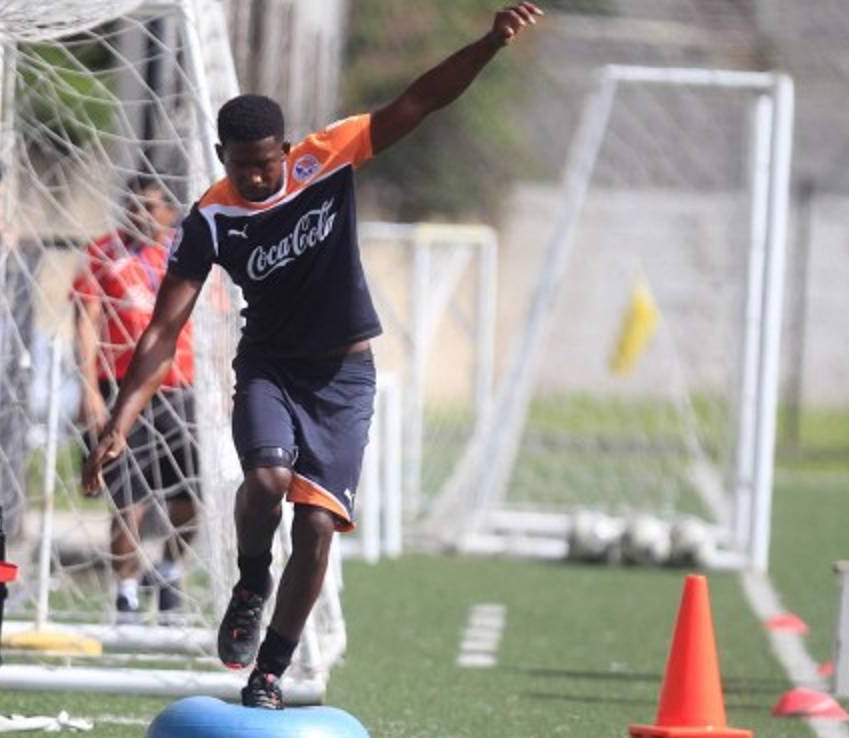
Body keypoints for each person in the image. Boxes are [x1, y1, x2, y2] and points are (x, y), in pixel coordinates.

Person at [84, 3, 544, 708]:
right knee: (266, 480)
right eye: (243, 169)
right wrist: (120, 418)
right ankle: (248, 581)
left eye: (266, 166)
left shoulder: (325, 157)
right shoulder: (210, 216)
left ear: (285, 149)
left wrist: (488, 43)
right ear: (221, 160)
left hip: (343, 376)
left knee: (319, 525)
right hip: (268, 367)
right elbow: (163, 329)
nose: (259, 181)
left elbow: (419, 99)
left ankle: (270, 669)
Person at [73, 176, 200, 623]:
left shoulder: (187, 252)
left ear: (168, 211)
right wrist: (88, 388)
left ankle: (169, 571)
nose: (140, 215)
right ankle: (126, 591)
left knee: (190, 494)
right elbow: (85, 321)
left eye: (150, 207)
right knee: (127, 496)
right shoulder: (102, 253)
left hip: (182, 389)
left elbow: (215, 320)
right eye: (132, 206)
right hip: (123, 390)